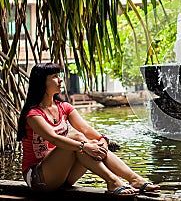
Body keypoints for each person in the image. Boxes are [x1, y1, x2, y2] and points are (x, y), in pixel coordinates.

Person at [17, 62, 160, 195]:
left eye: (59, 76)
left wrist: (102, 140)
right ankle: (113, 181)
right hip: (39, 178)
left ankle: (134, 178)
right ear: (42, 83)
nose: (60, 80)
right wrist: (84, 146)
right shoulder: (33, 115)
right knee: (78, 139)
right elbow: (54, 138)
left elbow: (85, 128)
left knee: (86, 141)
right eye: (54, 77)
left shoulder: (63, 107)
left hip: (63, 175)